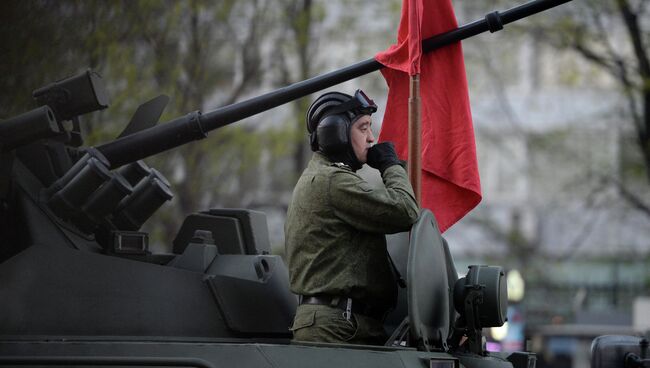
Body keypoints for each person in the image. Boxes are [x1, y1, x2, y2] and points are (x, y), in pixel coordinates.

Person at [284, 89, 419, 345]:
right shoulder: (332, 181)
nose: (371, 138)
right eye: (363, 128)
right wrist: (390, 165)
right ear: (335, 133)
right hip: (336, 328)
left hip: (343, 323)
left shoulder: (324, 177)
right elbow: (405, 211)